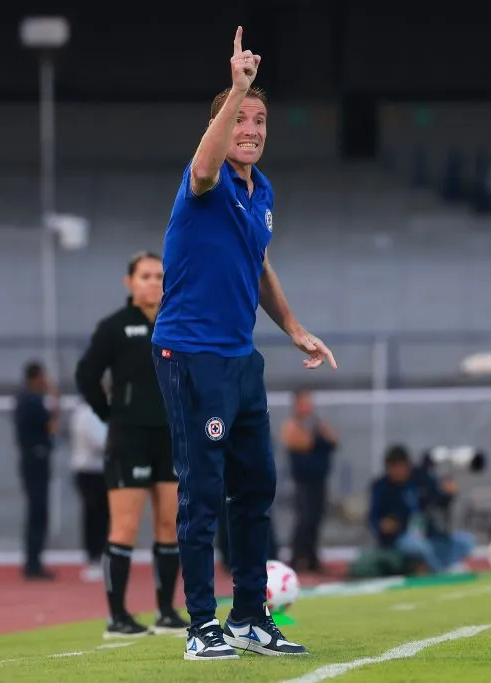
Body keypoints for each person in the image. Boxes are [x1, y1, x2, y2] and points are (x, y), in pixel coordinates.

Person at [151, 26, 336, 661]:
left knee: (255, 485)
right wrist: (236, 86)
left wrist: (294, 328)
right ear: (222, 125)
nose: (251, 128)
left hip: (239, 358)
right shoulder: (202, 182)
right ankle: (201, 624)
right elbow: (203, 163)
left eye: (259, 119)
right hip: (189, 352)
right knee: (201, 489)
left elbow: (259, 269)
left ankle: (251, 616)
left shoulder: (263, 194)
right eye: (240, 119)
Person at [75, 252, 188, 638]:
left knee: (169, 526)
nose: (154, 282)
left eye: (159, 275)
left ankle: (167, 611)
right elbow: (86, 374)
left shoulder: (178, 324)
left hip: (170, 438)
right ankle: (118, 617)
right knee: (124, 528)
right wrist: (111, 414)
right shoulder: (115, 328)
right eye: (145, 276)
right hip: (129, 439)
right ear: (130, 283)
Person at [368, 445, 474, 575]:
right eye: (395, 467)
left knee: (466, 541)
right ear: (389, 468)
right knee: (419, 546)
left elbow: (438, 501)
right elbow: (374, 519)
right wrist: (383, 525)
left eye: (403, 466)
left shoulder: (421, 478)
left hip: (429, 533)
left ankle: (447, 565)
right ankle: (440, 572)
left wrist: (448, 494)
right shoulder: (381, 488)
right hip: (400, 537)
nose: (400, 471)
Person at [281, 388, 338, 573]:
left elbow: (333, 441)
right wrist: (317, 439)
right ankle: (298, 558)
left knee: (316, 518)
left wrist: (320, 436)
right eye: (305, 403)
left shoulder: (316, 425)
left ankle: (312, 558)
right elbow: (305, 443)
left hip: (319, 479)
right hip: (303, 481)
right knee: (304, 519)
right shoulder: (292, 426)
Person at [12, 360, 59, 581]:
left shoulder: (21, 399)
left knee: (35, 512)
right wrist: (55, 398)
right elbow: (51, 427)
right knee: (38, 513)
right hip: (36, 461)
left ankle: (33, 561)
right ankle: (33, 563)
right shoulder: (33, 401)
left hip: (30, 461)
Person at [70, 395, 110, 583]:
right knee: (95, 517)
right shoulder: (87, 414)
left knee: (101, 517)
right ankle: (94, 559)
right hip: (91, 473)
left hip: (97, 472)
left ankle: (98, 556)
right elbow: (101, 442)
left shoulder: (89, 413)